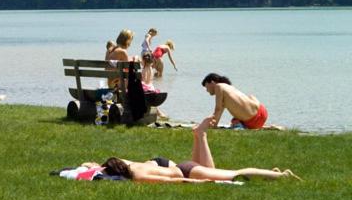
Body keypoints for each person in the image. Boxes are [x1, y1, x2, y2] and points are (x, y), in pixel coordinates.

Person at [84, 117, 300, 183]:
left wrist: (199, 182)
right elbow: (96, 167)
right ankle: (200, 136)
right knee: (212, 169)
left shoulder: (138, 176)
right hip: (169, 164)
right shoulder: (126, 162)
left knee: (234, 174)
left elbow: (176, 181)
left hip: (184, 171)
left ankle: (281, 175)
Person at [202, 73, 268, 129]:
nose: (207, 90)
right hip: (262, 111)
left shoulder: (218, 86)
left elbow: (218, 109)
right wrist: (214, 124)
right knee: (250, 96)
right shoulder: (229, 87)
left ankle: (240, 125)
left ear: (212, 82)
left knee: (235, 120)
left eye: (206, 86)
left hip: (252, 121)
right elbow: (219, 111)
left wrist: (213, 126)